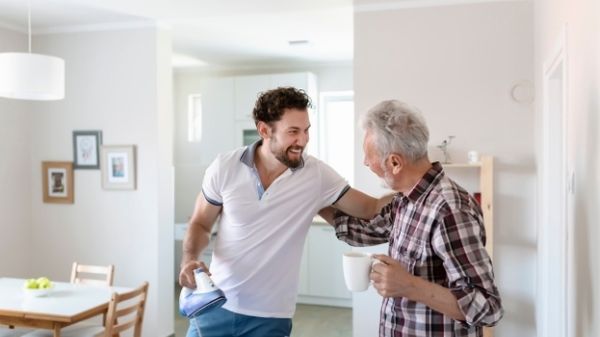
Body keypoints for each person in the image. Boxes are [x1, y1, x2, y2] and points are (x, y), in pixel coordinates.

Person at [179, 87, 391, 337]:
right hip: (213, 307)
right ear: (264, 130)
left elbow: (370, 208)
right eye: (293, 131)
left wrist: (414, 187)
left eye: (306, 130)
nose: (303, 140)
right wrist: (189, 257)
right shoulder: (224, 167)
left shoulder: (317, 175)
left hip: (270, 319)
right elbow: (201, 223)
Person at [322, 100, 503, 337]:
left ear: (395, 162)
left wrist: (409, 285)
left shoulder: (449, 209)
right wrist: (315, 201)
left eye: (369, 156)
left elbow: (488, 306)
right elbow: (363, 230)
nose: (365, 162)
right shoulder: (406, 200)